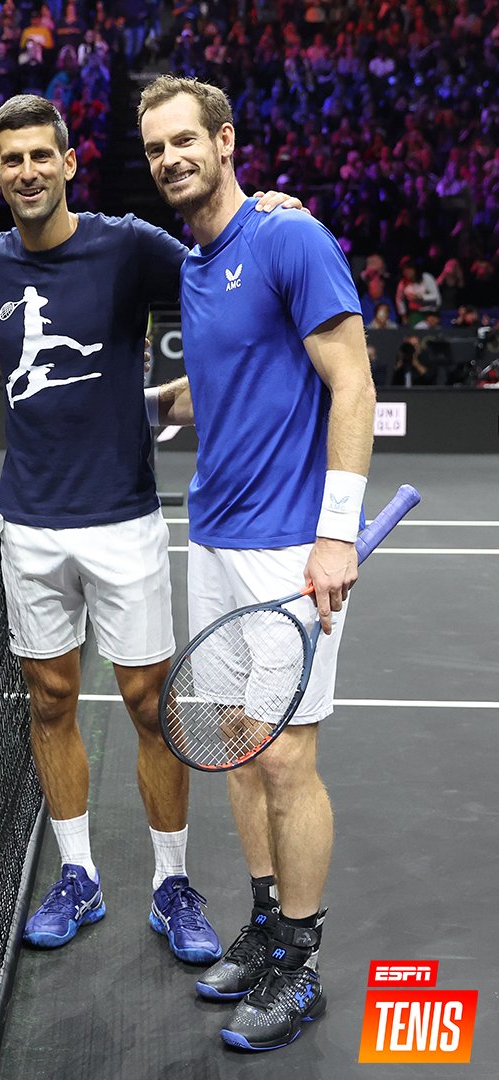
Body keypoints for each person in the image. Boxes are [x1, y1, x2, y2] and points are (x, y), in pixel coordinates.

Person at [0, 94, 299, 961]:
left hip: (123, 518)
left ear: (70, 162)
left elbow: (224, 251)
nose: (29, 171)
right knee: (49, 703)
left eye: (43, 155)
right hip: (30, 525)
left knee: (152, 706)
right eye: (13, 159)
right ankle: (77, 875)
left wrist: (276, 207)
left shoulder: (126, 245)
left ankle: (171, 884)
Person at [138, 74, 375, 1051]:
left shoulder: (289, 238)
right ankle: (269, 924)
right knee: (238, 743)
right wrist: (160, 399)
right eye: (155, 149)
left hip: (289, 544)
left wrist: (335, 533)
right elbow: (234, 371)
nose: (170, 159)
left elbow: (352, 383)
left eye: (185, 141)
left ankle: (304, 964)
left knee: (287, 756)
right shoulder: (196, 261)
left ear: (226, 140)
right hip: (216, 536)